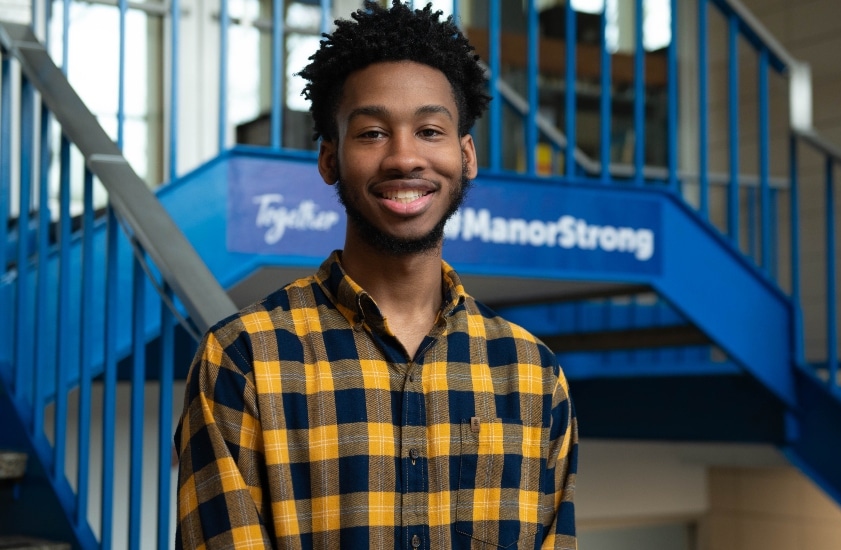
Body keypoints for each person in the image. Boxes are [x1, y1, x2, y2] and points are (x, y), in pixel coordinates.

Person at [175, 2, 578, 548]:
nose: (404, 158)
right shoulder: (244, 360)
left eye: (430, 130)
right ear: (329, 158)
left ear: (466, 156)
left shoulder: (532, 376)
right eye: (371, 134)